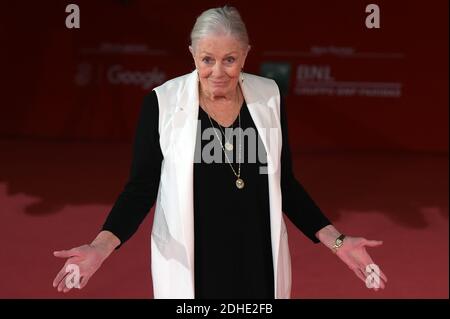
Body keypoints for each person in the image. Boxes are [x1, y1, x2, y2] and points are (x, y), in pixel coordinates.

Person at [53, 6, 387, 298]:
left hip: (259, 262)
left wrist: (339, 243)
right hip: (193, 266)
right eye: (207, 59)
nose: (217, 72)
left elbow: (284, 182)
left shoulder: (268, 96)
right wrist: (100, 247)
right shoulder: (163, 104)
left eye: (230, 60)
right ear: (192, 53)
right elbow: (141, 189)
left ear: (245, 54)